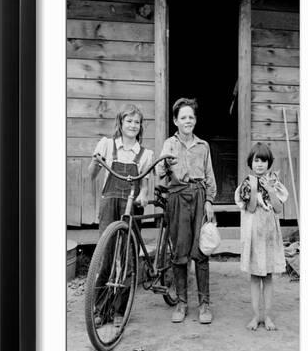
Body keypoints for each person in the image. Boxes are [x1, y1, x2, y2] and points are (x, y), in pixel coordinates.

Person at [89, 104, 153, 325]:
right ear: (121, 123)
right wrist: (95, 162)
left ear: (140, 126)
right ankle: (100, 309)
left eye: (137, 122)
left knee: (128, 257)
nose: (133, 125)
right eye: (129, 121)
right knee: (106, 254)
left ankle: (119, 311)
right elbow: (92, 174)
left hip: (131, 205)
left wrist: (143, 195)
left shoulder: (145, 154)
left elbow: (145, 185)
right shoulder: (107, 145)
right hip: (109, 203)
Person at [157, 98, 217, 324]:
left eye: (191, 117)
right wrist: (165, 165)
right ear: (175, 120)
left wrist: (210, 201)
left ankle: (204, 304)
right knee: (180, 252)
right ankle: (182, 303)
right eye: (183, 117)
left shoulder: (203, 146)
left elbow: (209, 175)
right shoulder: (169, 144)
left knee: (201, 251)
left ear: (195, 120)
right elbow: (161, 173)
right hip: (177, 198)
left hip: (200, 197)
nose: (188, 121)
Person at [234, 142, 289, 331]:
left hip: (269, 234)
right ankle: (256, 316)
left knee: (268, 277)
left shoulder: (274, 182)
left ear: (269, 163)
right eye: (256, 160)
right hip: (254, 233)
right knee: (256, 277)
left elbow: (279, 208)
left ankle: (267, 317)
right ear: (251, 162)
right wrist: (256, 188)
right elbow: (249, 207)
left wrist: (270, 189)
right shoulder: (247, 184)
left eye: (264, 161)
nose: (260, 165)